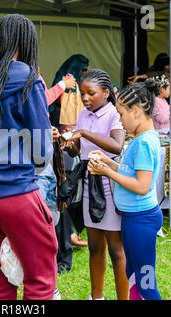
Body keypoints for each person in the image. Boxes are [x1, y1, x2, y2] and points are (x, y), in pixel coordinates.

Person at [0, 14, 57, 300]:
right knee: (40, 282)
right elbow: (42, 149)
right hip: (15, 193)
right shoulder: (28, 79)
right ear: (26, 42)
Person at [87, 78, 163, 300]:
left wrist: (107, 173)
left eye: (121, 114)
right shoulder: (141, 139)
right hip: (133, 219)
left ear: (136, 112)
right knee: (133, 275)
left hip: (141, 220)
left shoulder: (144, 143)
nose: (119, 121)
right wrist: (109, 163)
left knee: (146, 281)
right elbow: (131, 172)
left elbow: (142, 186)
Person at [63, 69, 127, 300]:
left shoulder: (114, 114)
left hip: (109, 185)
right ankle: (96, 296)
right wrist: (70, 144)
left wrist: (83, 133)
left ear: (106, 93)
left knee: (116, 249)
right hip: (90, 184)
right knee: (94, 247)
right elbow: (80, 150)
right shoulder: (84, 115)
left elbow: (117, 146)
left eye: (91, 93)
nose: (85, 98)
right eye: (82, 93)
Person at [49, 54, 89, 127]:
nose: (84, 73)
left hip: (74, 117)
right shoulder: (64, 78)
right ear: (74, 67)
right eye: (82, 70)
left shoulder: (82, 80)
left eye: (85, 70)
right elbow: (57, 100)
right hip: (59, 115)